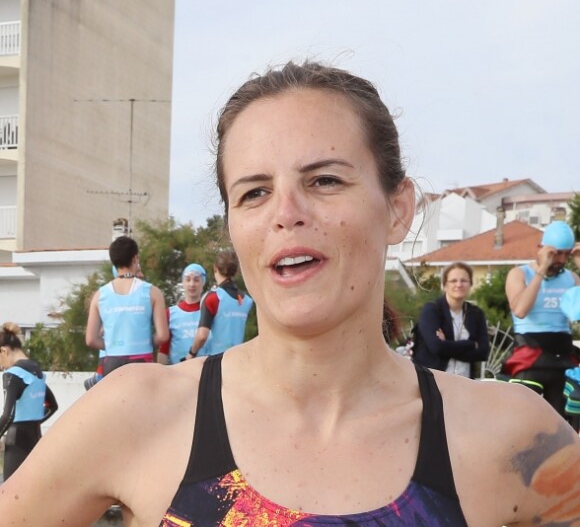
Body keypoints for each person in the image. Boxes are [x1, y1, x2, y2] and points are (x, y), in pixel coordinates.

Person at [0, 61, 579, 526]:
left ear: (398, 209)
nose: (287, 214)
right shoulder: (137, 414)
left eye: (324, 180)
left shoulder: (514, 438)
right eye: (254, 193)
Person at [505, 220, 580, 418]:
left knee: (564, 427)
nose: (562, 260)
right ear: (541, 249)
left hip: (562, 359)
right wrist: (541, 271)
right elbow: (520, 310)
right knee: (524, 421)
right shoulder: (519, 274)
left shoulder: (571, 278)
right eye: (556, 253)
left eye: (566, 253)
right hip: (530, 358)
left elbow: (577, 314)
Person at [85, 235, 169, 376]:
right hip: (142, 360)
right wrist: (146, 343)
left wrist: (114, 345)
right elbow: (163, 335)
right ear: (135, 258)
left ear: (113, 261)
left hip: (112, 362)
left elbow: (91, 339)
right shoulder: (152, 292)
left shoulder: (100, 295)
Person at [0, 322, 58, 481]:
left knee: (10, 496)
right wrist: (35, 422)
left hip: (16, 442)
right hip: (35, 439)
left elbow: (8, 416)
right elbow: (53, 407)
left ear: (4, 351)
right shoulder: (36, 370)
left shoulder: (12, 374)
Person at [413, 261, 490, 378]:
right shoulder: (432, 310)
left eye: (464, 280)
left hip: (465, 383)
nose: (459, 284)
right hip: (434, 381)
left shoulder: (476, 313)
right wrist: (470, 344)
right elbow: (436, 347)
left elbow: (483, 352)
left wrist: (447, 344)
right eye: (453, 281)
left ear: (470, 284)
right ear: (445, 285)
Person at [188, 249, 253, 358]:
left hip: (216, 361)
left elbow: (202, 336)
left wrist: (191, 353)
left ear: (215, 268)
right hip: (239, 359)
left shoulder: (213, 298)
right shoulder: (247, 300)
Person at [158, 263, 207, 365]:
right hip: (179, 372)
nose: (192, 284)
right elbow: (163, 350)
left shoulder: (210, 311)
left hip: (206, 369)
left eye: (196, 280)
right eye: (188, 279)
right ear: (183, 283)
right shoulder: (170, 313)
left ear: (203, 283)